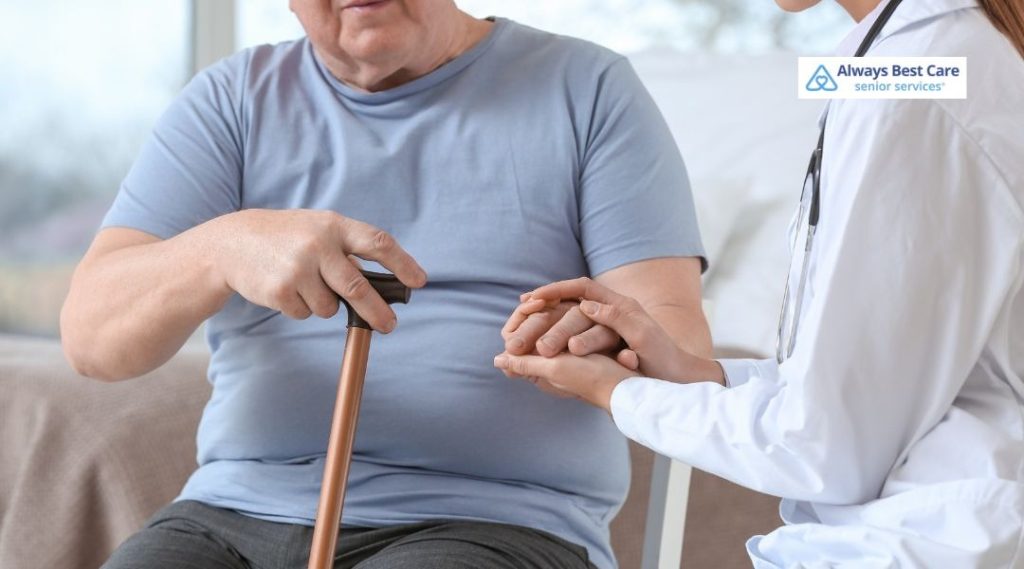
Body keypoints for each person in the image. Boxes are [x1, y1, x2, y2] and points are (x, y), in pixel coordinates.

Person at [60, 1, 711, 568]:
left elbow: (683, 361)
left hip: (495, 522)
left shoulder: (590, 88)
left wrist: (608, 332)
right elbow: (92, 337)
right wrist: (222, 246)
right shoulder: (231, 100)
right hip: (230, 514)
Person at [495, 0, 1024, 566]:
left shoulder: (915, 85)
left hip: (936, 536)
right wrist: (697, 374)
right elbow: (887, 389)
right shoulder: (921, 61)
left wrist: (616, 392)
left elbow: (826, 449)